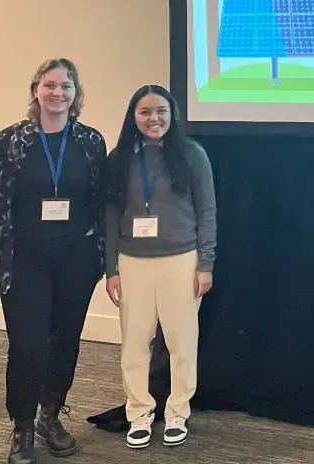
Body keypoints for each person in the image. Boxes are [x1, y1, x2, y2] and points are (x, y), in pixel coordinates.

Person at [0, 59, 108, 464]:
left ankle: (50, 415)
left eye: (66, 86)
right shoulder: (10, 140)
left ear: (76, 92)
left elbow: (101, 201)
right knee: (28, 345)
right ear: (36, 89)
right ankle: (21, 426)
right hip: (24, 259)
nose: (58, 93)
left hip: (76, 258)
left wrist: (101, 254)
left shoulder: (90, 141)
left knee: (64, 341)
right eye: (50, 85)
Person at [103, 85, 216, 450]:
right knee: (135, 342)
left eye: (161, 111)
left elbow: (207, 212)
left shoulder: (192, 155)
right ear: (133, 117)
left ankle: (178, 410)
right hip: (132, 262)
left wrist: (205, 263)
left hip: (181, 261)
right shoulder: (119, 158)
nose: (154, 119)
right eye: (145, 112)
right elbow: (109, 215)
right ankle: (139, 411)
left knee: (182, 342)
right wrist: (111, 269)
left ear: (173, 114)